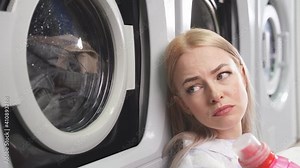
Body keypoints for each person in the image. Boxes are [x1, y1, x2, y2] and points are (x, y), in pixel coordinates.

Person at [163, 28, 255, 168]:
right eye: (193, 88)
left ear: (242, 75)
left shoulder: (244, 148)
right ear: (183, 104)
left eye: (222, 75)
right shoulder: (199, 161)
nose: (215, 95)